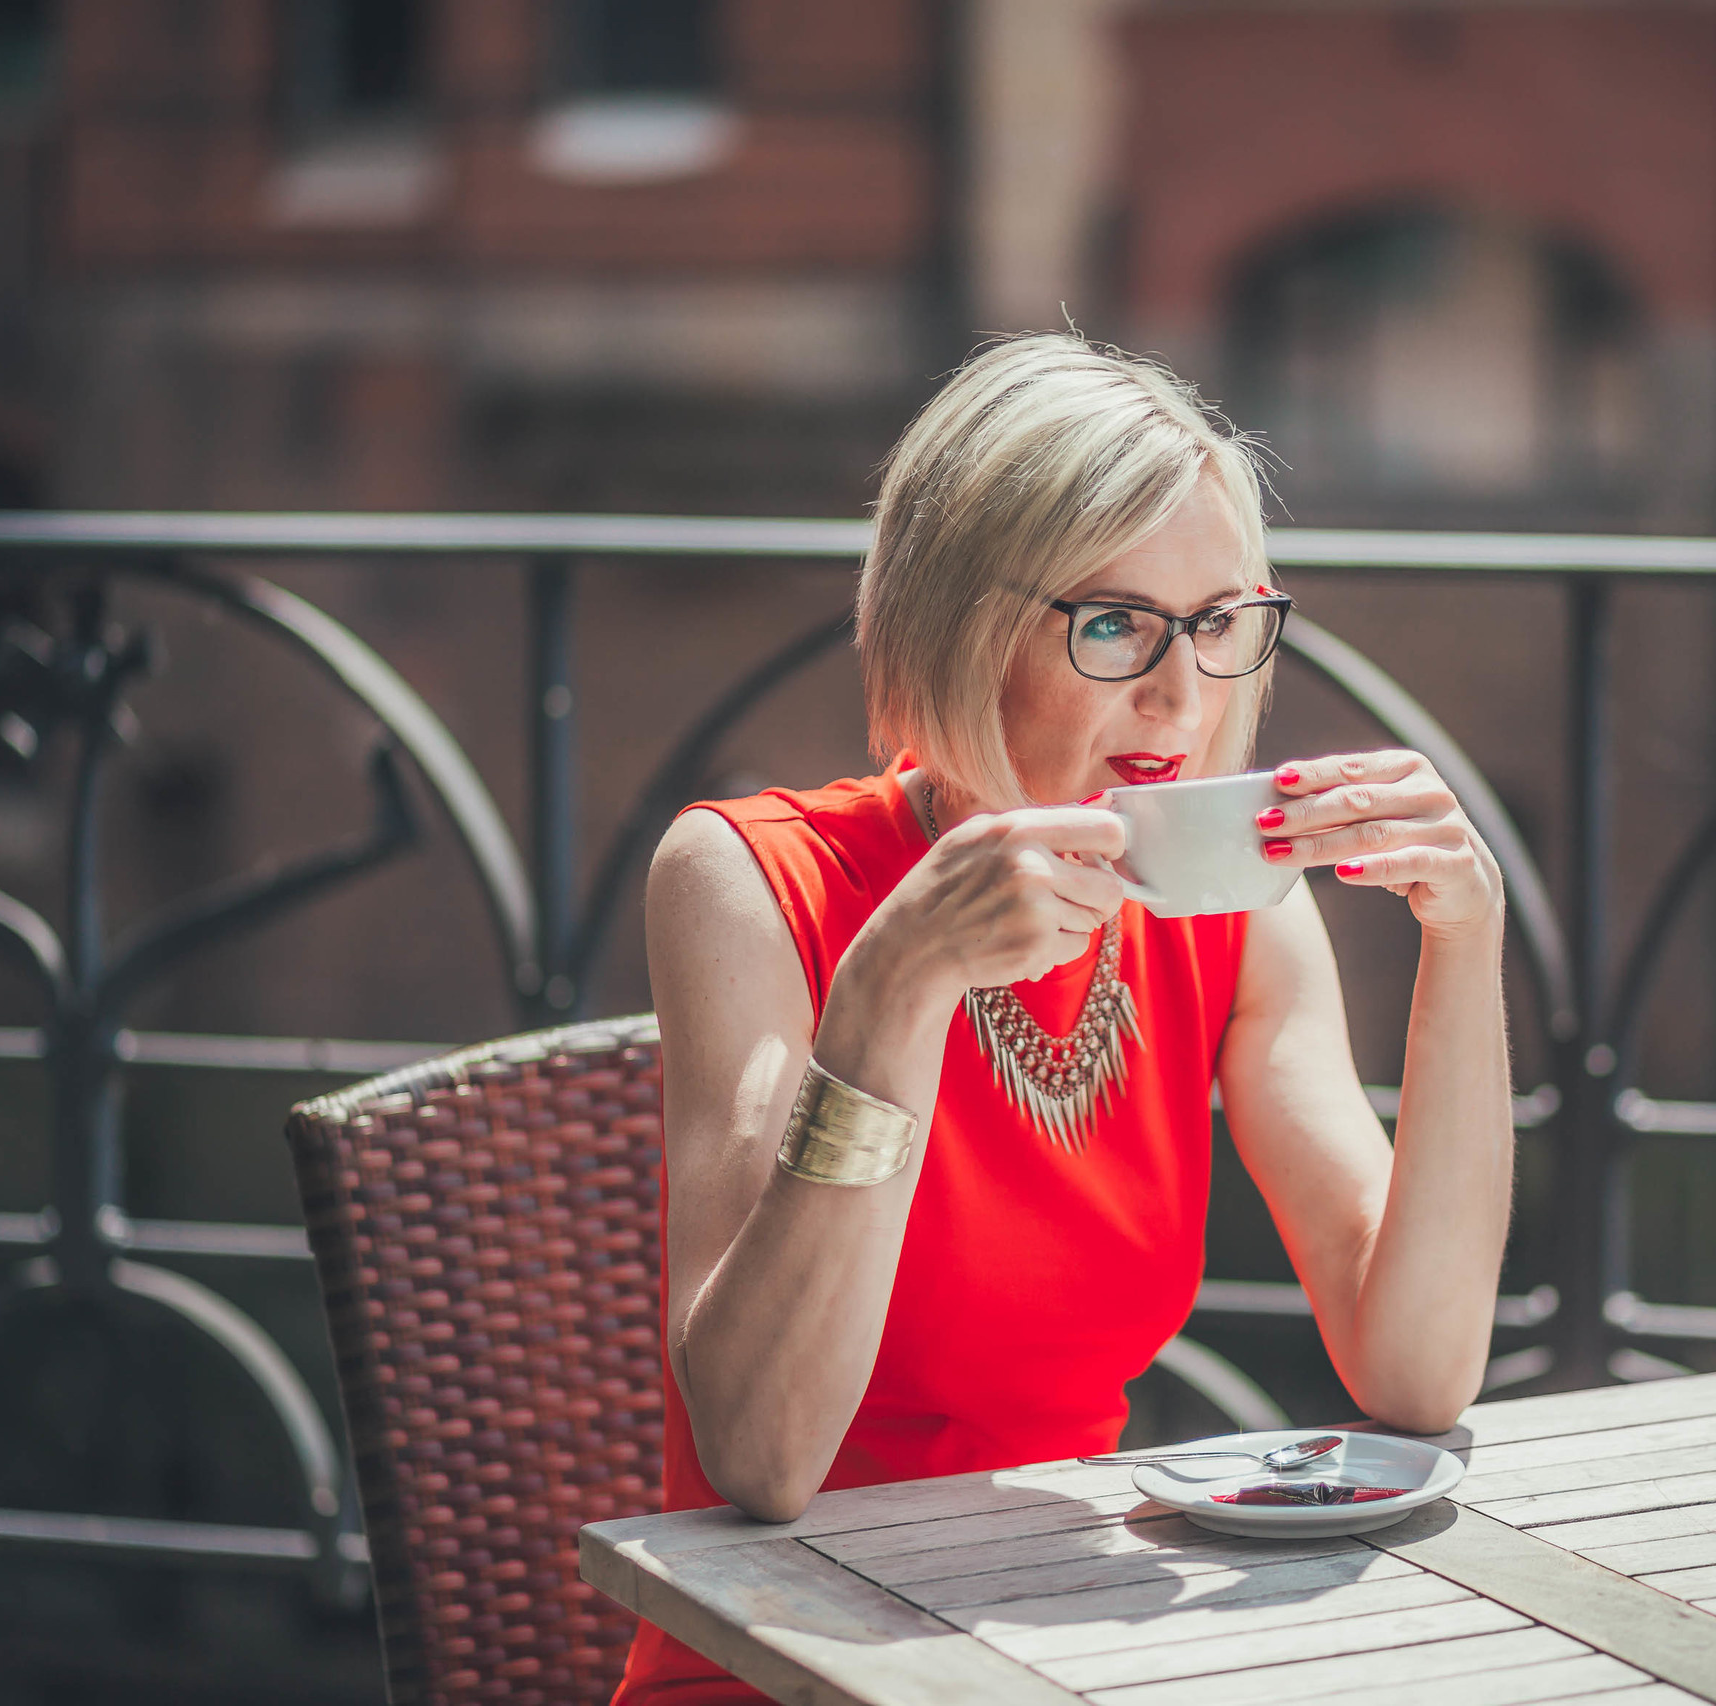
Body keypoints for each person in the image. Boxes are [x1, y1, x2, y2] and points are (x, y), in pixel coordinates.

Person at [613, 333, 1513, 1702]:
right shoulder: (748, 881)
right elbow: (761, 1453)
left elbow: (1418, 1371)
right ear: (959, 623)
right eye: (1115, 625)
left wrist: (1466, 938)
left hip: (1072, 1647)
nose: (1181, 695)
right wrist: (894, 989)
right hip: (784, 1662)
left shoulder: (1228, 913)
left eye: (1219, 622)